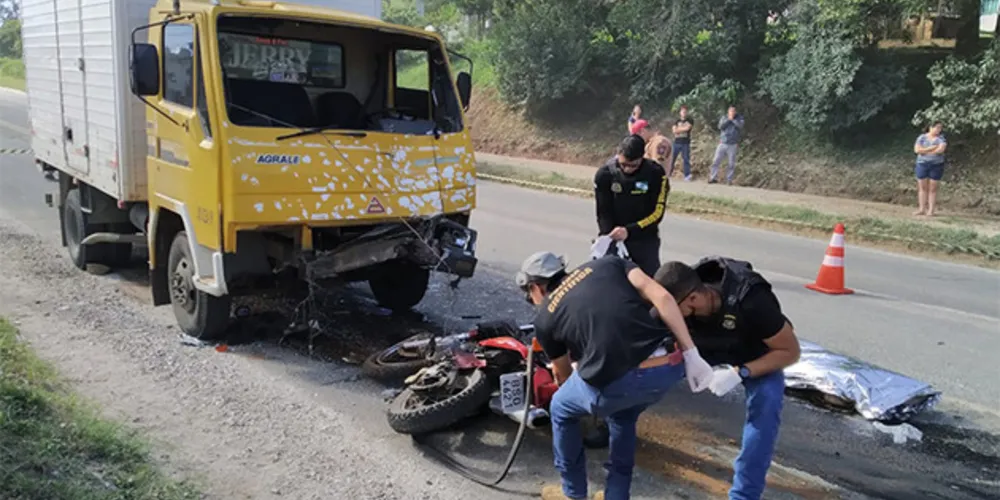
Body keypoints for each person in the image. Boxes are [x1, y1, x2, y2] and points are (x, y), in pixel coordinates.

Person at [516, 251, 714, 500]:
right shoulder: (608, 264)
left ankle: (573, 493)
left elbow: (563, 375)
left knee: (560, 409)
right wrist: (691, 353)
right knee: (623, 417)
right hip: (665, 370)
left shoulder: (545, 317)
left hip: (615, 383)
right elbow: (662, 296)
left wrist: (583, 383)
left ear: (535, 287)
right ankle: (617, 496)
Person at [652, 257, 802, 500]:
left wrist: (739, 373)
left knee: (766, 405)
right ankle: (613, 429)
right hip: (703, 350)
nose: (668, 314)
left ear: (693, 299)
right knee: (646, 376)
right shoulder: (674, 298)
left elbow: (790, 351)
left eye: (674, 310)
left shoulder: (750, 298)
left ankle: (744, 495)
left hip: (754, 352)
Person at [593, 135, 670, 277]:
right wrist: (607, 236)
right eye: (623, 164)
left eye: (632, 165)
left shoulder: (656, 174)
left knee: (649, 287)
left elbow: (657, 213)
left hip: (644, 239)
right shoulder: (605, 174)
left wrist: (630, 231)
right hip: (613, 238)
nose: (627, 169)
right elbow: (603, 211)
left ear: (642, 158)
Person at [913, 121, 947, 217]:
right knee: (922, 187)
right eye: (937, 127)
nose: (939, 130)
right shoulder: (921, 137)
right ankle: (921, 209)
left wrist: (924, 151)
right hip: (922, 164)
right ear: (931, 127)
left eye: (940, 128)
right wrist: (931, 148)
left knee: (933, 188)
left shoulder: (941, 139)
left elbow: (940, 150)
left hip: (936, 165)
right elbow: (917, 150)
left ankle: (931, 210)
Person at [708, 106, 744, 185]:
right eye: (731, 111)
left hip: (733, 144)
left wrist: (733, 120)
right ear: (728, 112)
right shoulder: (724, 118)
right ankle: (713, 177)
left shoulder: (739, 118)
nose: (732, 112)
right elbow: (720, 126)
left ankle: (729, 180)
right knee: (716, 161)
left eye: (733, 111)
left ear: (735, 112)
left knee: (731, 163)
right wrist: (728, 120)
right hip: (723, 143)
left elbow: (740, 126)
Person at [670, 105, 695, 181]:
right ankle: (668, 173)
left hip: (685, 143)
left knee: (686, 159)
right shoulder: (676, 121)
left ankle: (687, 175)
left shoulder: (690, 120)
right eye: (682, 111)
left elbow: (687, 128)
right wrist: (681, 129)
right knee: (672, 158)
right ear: (680, 112)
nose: (684, 113)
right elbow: (674, 131)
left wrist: (678, 129)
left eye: (685, 111)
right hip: (676, 142)